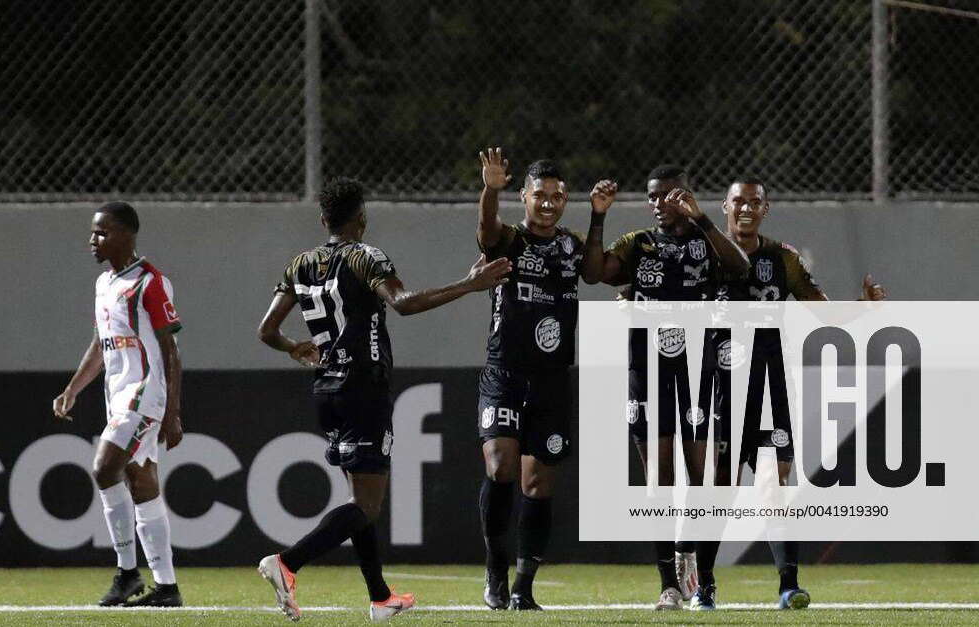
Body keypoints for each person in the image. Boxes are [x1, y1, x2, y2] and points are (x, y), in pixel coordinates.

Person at [255, 177, 511, 622]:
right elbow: (405, 303)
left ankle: (380, 597)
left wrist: (294, 346)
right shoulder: (364, 255)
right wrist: (469, 285)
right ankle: (287, 563)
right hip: (362, 388)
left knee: (359, 500)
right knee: (366, 506)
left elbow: (267, 331)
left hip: (327, 389)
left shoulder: (300, 263)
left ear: (323, 220)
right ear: (361, 218)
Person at [697, 177, 887, 611]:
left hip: (769, 388)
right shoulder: (704, 255)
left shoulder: (783, 259)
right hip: (722, 389)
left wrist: (862, 306)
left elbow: (825, 313)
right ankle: (703, 584)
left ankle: (788, 586)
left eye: (755, 202)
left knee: (773, 487)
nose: (746, 208)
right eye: (738, 201)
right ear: (724, 206)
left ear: (766, 210)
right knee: (720, 487)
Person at [584, 164, 750, 610]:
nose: (659, 204)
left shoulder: (705, 241)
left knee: (699, 475)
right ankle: (668, 586)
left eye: (668, 196)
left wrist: (702, 218)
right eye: (653, 197)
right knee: (659, 477)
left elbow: (739, 267)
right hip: (647, 369)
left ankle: (688, 552)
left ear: (686, 196)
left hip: (697, 370)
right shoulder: (640, 243)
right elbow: (595, 271)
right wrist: (598, 216)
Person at [476, 148, 616, 610]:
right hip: (504, 372)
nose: (549, 203)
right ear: (524, 197)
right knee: (499, 466)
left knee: (537, 485)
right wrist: (489, 190)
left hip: (553, 379)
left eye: (557, 196)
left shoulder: (572, 244)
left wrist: (598, 219)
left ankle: (523, 587)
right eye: (541, 195)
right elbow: (486, 232)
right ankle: (495, 569)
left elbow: (595, 275)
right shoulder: (510, 239)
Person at [52, 201, 184, 607]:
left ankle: (127, 572)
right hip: (118, 395)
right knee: (142, 483)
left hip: (145, 393)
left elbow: (170, 350)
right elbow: (100, 344)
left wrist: (173, 412)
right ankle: (166, 588)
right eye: (94, 232)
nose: (93, 240)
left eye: (103, 233)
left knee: (104, 467)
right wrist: (74, 388)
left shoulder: (150, 282)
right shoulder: (105, 284)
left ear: (127, 235)